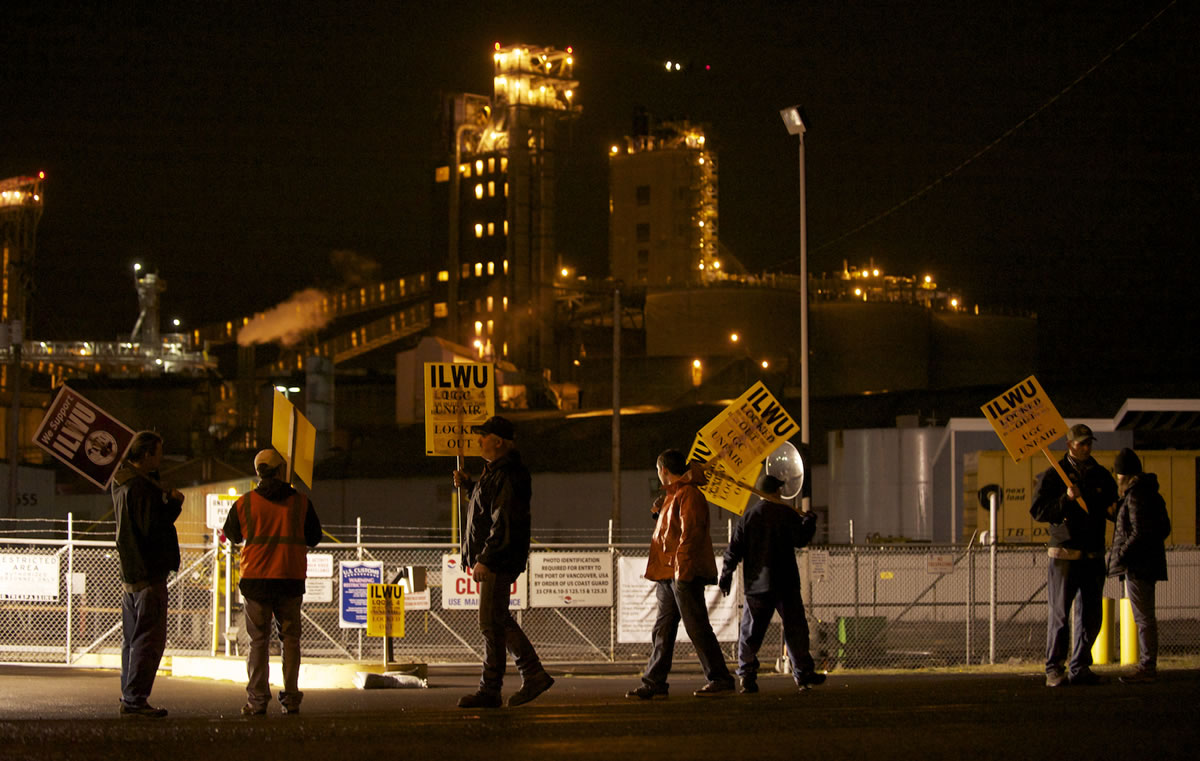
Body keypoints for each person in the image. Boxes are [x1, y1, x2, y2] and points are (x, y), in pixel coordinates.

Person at [452, 416, 554, 709]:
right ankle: (523, 677)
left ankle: (502, 684)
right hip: (498, 557)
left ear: (498, 441)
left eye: (484, 436)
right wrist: (471, 486)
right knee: (497, 620)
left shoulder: (509, 473)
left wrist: (486, 558)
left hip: (499, 558)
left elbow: (503, 518)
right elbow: (490, 506)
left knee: (491, 622)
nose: (478, 441)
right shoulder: (497, 472)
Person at [627, 449, 735, 699]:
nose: (657, 474)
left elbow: (691, 535)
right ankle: (654, 681)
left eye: (657, 470)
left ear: (663, 470)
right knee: (663, 628)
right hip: (670, 573)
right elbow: (675, 531)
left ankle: (720, 678)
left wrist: (682, 572)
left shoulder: (688, 494)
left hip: (680, 573)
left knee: (696, 626)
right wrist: (660, 513)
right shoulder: (677, 494)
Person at [222, 449, 322, 716]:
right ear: (280, 471)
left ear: (258, 473)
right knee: (290, 640)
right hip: (289, 579)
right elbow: (314, 537)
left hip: (255, 582)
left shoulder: (245, 504)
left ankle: (257, 701)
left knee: (258, 641)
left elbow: (231, 534)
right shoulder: (300, 503)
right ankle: (291, 699)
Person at [1030, 423, 1118, 687]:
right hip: (1064, 554)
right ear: (1070, 445)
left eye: (1089, 442)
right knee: (1060, 615)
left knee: (1091, 616)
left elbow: (1112, 508)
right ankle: (1054, 668)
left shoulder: (1101, 475)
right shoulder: (1054, 475)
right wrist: (1066, 500)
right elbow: (1038, 512)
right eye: (1082, 443)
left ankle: (1080, 667)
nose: (1087, 447)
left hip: (1092, 554)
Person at [719, 474, 825, 693]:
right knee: (795, 629)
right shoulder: (785, 514)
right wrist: (810, 522)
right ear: (775, 492)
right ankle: (803, 674)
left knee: (751, 632)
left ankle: (747, 676)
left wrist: (726, 575)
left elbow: (733, 551)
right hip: (785, 583)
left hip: (757, 585)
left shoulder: (748, 518)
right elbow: (801, 539)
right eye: (778, 490)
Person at [112, 430, 183, 718]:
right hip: (148, 573)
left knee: (132, 640)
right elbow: (154, 530)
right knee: (148, 640)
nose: (161, 457)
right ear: (145, 455)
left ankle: (130, 695)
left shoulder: (121, 485)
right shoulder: (141, 489)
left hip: (130, 574)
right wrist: (173, 503)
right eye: (157, 452)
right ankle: (136, 700)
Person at [1107, 448, 1171, 684]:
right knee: (1146, 617)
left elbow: (1138, 531)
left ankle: (1147, 666)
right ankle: (1148, 664)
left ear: (1123, 475)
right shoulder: (1151, 493)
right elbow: (1162, 528)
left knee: (1143, 618)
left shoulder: (1134, 496)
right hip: (1150, 563)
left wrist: (1122, 554)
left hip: (1138, 565)